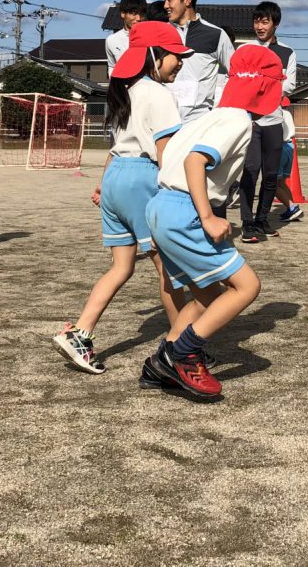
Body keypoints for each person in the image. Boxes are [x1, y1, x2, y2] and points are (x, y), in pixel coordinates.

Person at [139, 44, 281, 402]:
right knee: (247, 287)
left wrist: (164, 223)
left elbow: (172, 158)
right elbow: (194, 162)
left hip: (162, 206)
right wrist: (207, 216)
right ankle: (182, 354)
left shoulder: (205, 117)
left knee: (208, 296)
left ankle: (160, 362)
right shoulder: (237, 121)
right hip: (186, 209)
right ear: (266, 89)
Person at [54, 22, 193, 374]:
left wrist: (103, 186)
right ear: (155, 56)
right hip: (143, 179)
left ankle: (80, 332)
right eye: (176, 56)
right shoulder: (160, 95)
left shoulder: (125, 91)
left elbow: (116, 150)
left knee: (121, 267)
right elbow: (166, 153)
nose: (180, 63)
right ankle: (182, 346)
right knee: (169, 269)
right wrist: (184, 193)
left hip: (117, 178)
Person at [240, 1, 298, 243]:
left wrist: (263, 86)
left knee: (271, 174)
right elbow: (238, 80)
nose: (259, 26)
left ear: (275, 24)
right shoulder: (244, 50)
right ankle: (247, 223)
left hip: (274, 119)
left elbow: (290, 84)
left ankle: (263, 219)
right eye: (257, 21)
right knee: (250, 169)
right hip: (250, 120)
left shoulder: (287, 52)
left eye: (265, 21)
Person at [159, 0, 234, 123]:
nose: (165, 5)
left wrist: (222, 109)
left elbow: (236, 72)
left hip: (200, 122)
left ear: (187, 0)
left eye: (169, 0)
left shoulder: (215, 34)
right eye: (164, 0)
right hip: (164, 119)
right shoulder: (160, 33)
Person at [273, 98, 303, 225]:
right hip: (290, 146)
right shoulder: (288, 114)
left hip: (280, 147)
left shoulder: (275, 114)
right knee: (282, 183)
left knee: (273, 184)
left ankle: (291, 206)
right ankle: (292, 208)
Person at [105, 0, 149, 74]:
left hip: (146, 85)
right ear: (123, 13)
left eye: (142, 14)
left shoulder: (151, 38)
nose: (139, 18)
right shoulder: (111, 40)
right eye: (133, 13)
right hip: (123, 85)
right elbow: (112, 66)